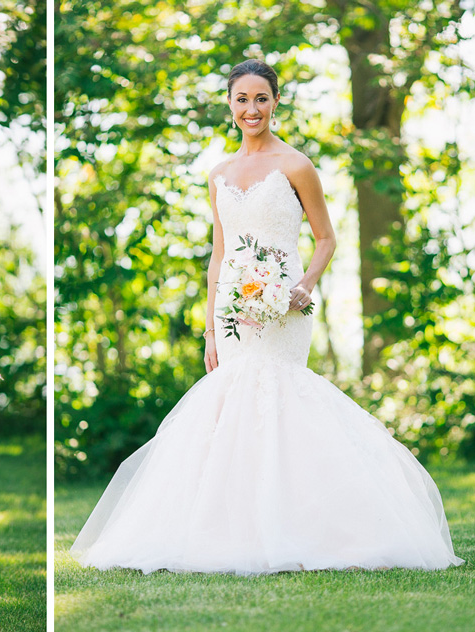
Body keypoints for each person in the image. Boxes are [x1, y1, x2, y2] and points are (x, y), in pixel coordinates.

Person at [70, 59, 463, 574]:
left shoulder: (297, 165)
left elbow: (326, 238)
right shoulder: (218, 175)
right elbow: (218, 254)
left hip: (284, 306)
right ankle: (228, 528)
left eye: (261, 98)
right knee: (229, 407)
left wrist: (301, 287)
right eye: (241, 99)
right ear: (229, 105)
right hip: (233, 311)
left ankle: (302, 524)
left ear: (276, 102)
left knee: (278, 396)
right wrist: (211, 326)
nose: (251, 108)